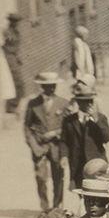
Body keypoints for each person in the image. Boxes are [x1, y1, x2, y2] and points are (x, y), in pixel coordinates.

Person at [23, 70, 67, 210]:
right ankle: (45, 208)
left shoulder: (63, 103)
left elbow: (68, 127)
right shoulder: (33, 104)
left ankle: (56, 207)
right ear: (42, 86)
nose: (52, 88)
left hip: (57, 146)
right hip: (39, 147)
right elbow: (27, 127)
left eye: (54, 85)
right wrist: (34, 145)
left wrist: (55, 133)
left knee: (58, 177)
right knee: (41, 178)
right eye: (48, 85)